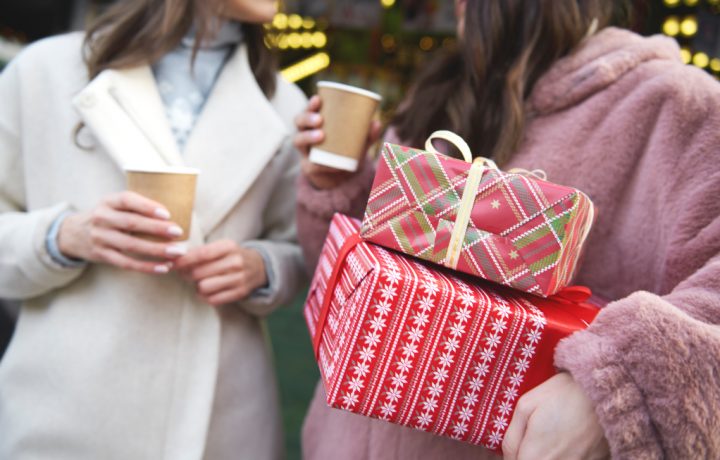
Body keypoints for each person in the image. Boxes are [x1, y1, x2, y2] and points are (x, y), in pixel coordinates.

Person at [294, 0, 720, 458]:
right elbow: (362, 280)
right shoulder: (443, 90)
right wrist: (333, 182)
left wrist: (612, 387)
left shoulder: (675, 103)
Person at [0, 0, 306, 458]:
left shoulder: (286, 104)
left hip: (220, 413)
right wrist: (63, 236)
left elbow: (298, 248)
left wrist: (262, 267)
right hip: (65, 404)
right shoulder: (44, 70)